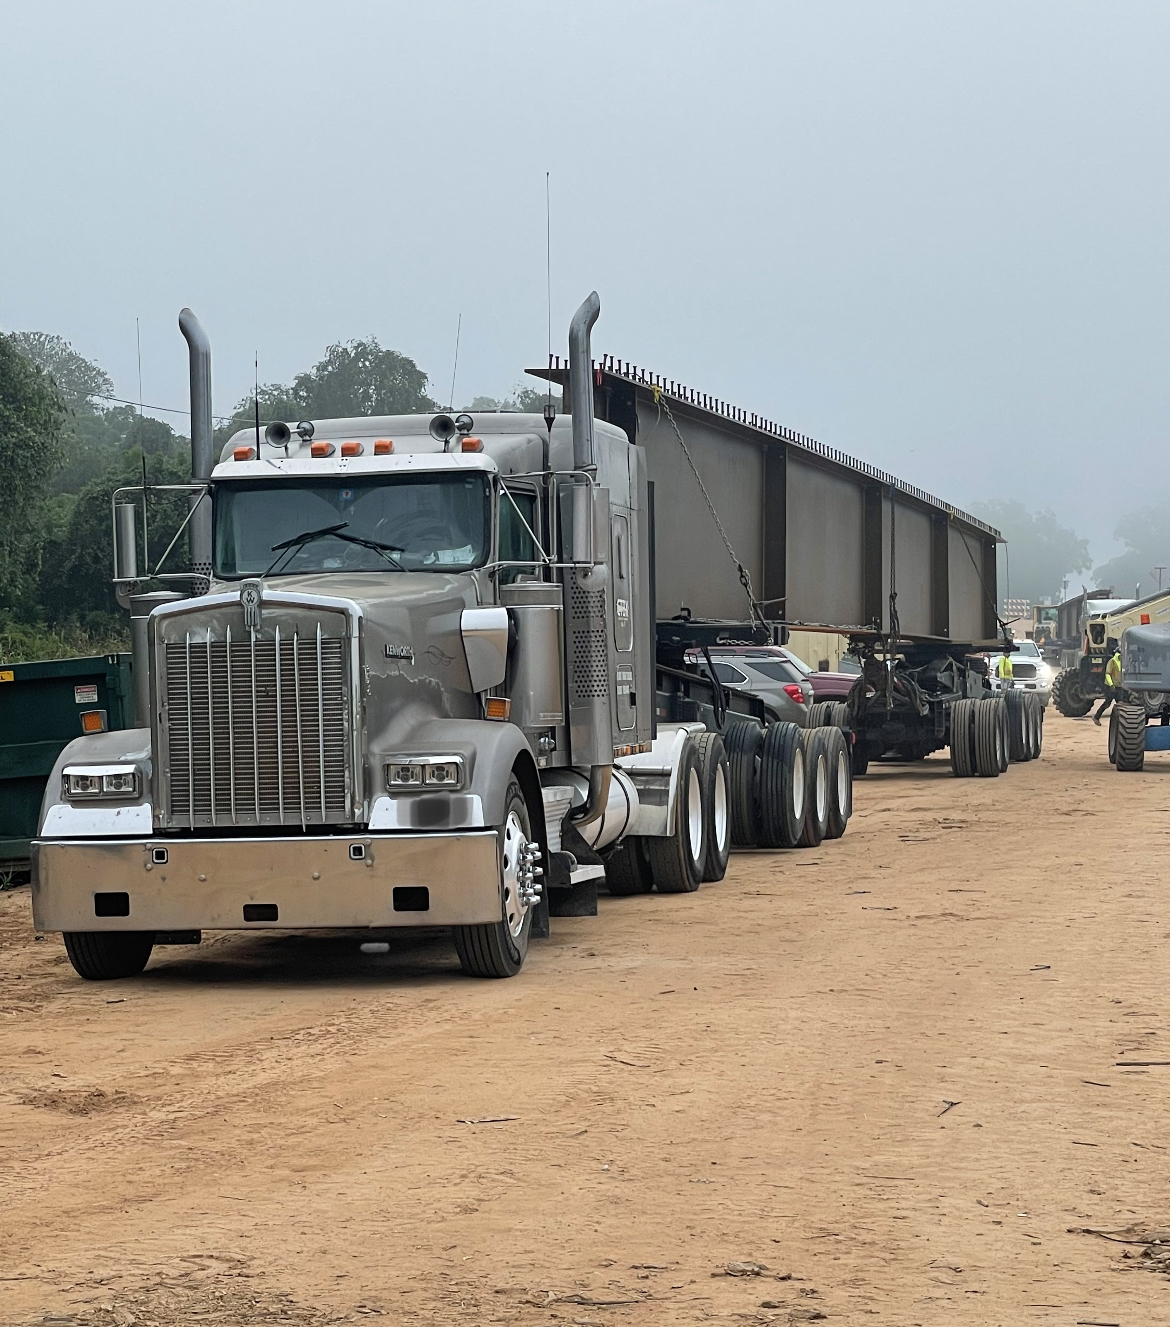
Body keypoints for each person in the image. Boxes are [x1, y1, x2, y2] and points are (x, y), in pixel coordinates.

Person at [1093, 639, 1122, 726]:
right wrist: (1111, 684)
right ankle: (1096, 717)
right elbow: (1108, 674)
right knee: (1107, 703)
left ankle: (1120, 722)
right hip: (1110, 686)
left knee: (1120, 704)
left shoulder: (1121, 662)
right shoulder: (1112, 661)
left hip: (1118, 686)